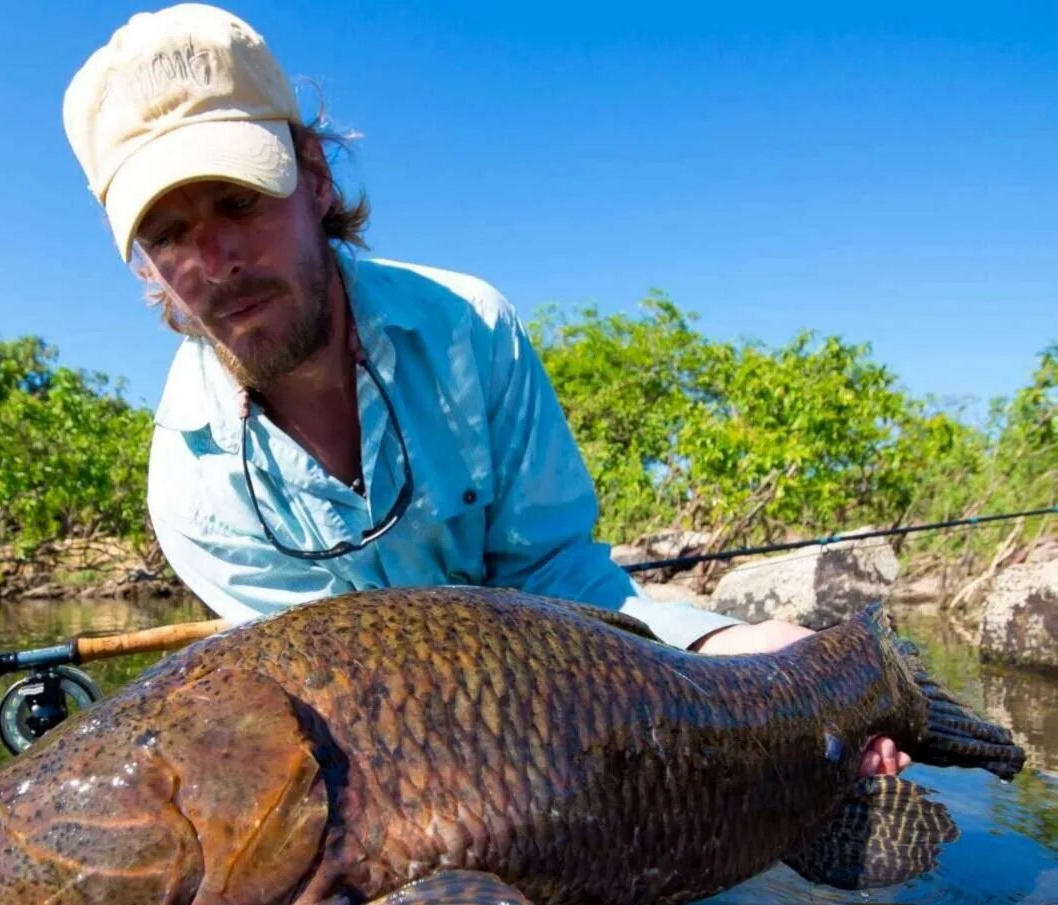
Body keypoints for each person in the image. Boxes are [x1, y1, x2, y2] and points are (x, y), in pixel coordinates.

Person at [61, 3, 906, 779]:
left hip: (568, 729)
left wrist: (731, 644)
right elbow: (315, 710)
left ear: (313, 175)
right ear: (145, 263)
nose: (216, 262)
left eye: (238, 200)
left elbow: (560, 575)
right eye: (169, 233)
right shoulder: (192, 489)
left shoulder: (471, 330)